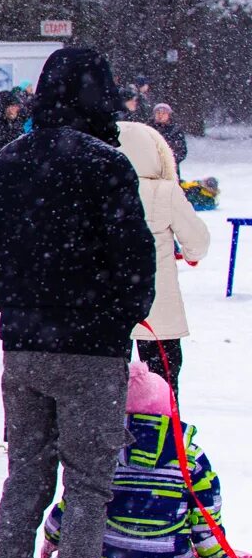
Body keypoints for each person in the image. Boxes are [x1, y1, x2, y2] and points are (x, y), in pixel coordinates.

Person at [0, 46, 155, 558]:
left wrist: (21, 305)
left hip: (24, 346)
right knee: (90, 483)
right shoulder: (107, 165)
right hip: (91, 351)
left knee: (26, 478)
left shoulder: (7, 162)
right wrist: (108, 317)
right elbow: (135, 267)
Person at [39, 363, 226, 558]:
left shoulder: (101, 453)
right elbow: (205, 512)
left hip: (109, 555)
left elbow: (75, 502)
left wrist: (53, 536)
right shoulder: (189, 455)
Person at [117, 120, 208, 394]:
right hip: (156, 305)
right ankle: (163, 434)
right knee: (163, 386)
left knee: (108, 389)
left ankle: (118, 434)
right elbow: (198, 240)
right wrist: (191, 255)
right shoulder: (164, 191)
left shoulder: (103, 189)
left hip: (110, 306)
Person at [150, 103, 188, 169]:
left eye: (164, 113)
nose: (160, 115)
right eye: (158, 113)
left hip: (170, 168)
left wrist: (170, 161)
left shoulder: (176, 130)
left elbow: (181, 151)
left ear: (169, 115)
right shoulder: (148, 128)